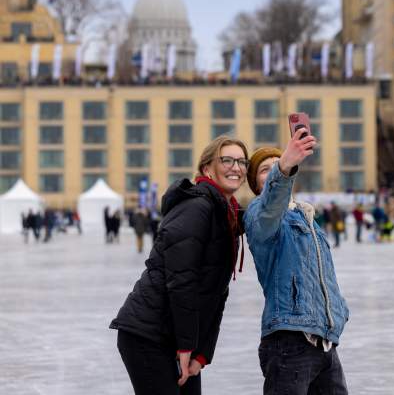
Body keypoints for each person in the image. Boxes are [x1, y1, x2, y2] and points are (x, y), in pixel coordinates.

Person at [110, 136, 248, 395]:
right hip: (148, 335)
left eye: (241, 161)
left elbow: (216, 294)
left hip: (176, 337)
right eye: (227, 160)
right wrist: (187, 347)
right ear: (207, 168)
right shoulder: (196, 207)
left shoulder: (226, 214)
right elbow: (181, 280)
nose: (236, 167)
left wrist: (202, 353)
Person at [244, 130, 350, 395]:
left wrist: (339, 311)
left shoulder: (305, 216)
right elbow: (271, 205)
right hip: (288, 342)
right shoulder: (260, 214)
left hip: (323, 341)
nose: (272, 171)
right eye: (264, 170)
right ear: (257, 184)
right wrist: (283, 167)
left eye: (275, 166)